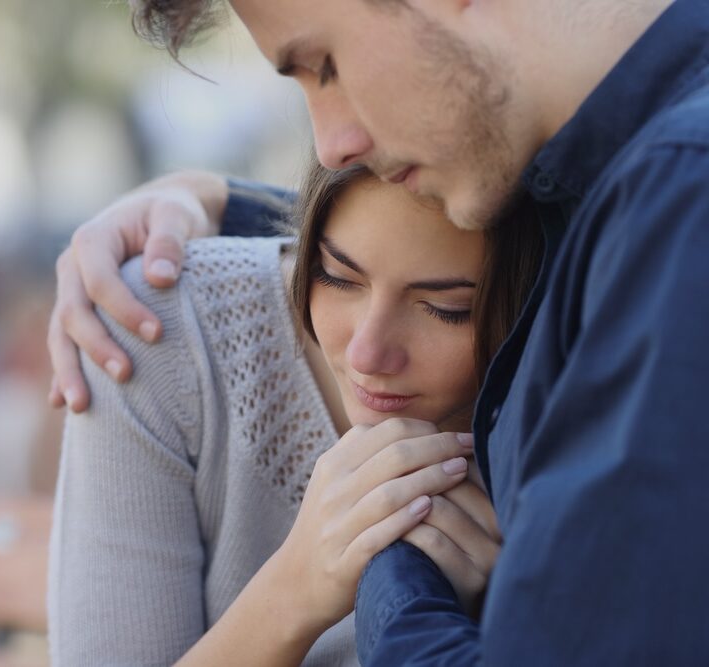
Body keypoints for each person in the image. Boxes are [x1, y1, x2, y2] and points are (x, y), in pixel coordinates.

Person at [48, 0, 709, 663]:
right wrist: (218, 202)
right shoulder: (625, 193)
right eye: (337, 273)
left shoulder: (676, 204)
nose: (330, 143)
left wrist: (390, 558)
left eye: (325, 65)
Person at [47, 159, 542, 665]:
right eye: (339, 276)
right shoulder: (163, 333)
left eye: (446, 309)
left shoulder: (564, 428)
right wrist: (295, 591)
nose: (365, 355)